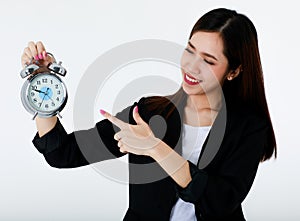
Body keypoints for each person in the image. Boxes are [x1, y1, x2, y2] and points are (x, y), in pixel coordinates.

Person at [21, 8, 276, 221]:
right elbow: (62, 154)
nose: (191, 66)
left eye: (208, 61)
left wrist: (156, 148)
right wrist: (42, 81)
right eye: (190, 50)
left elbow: (219, 203)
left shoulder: (249, 128)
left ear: (233, 71)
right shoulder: (149, 113)